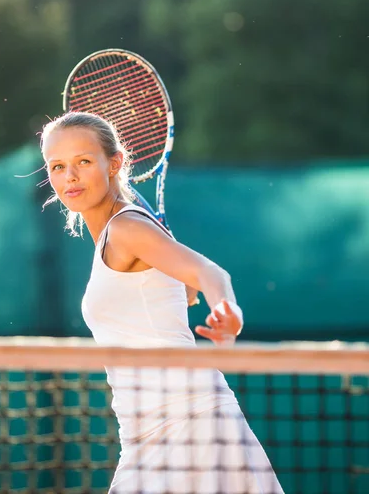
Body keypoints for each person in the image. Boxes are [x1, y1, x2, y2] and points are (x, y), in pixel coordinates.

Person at [41, 111, 284, 494]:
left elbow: (210, 274)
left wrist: (227, 310)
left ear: (115, 162)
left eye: (83, 161)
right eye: (57, 166)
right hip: (146, 434)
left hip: (192, 424)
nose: (69, 176)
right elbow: (182, 291)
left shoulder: (126, 228)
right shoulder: (117, 232)